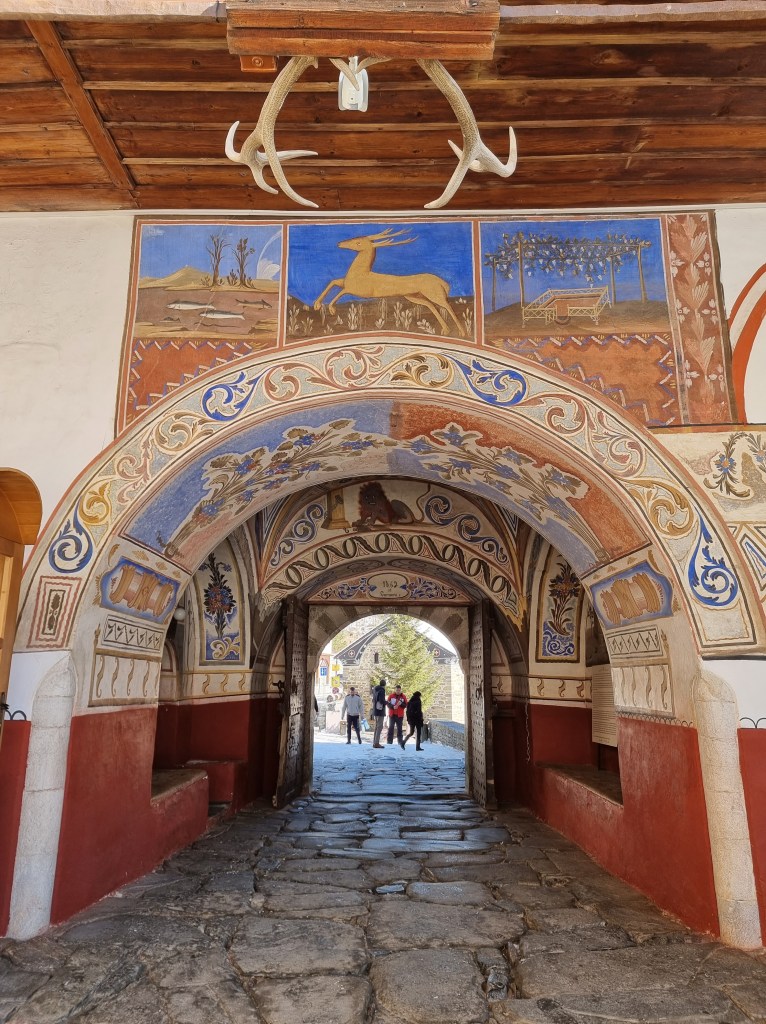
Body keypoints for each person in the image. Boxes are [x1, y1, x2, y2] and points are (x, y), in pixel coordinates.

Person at [371, 677, 387, 748]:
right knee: (379, 727)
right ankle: (377, 743)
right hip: (380, 710)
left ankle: (374, 742)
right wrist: (387, 703)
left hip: (375, 710)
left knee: (376, 727)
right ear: (384, 685)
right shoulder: (382, 690)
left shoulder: (375, 690)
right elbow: (381, 700)